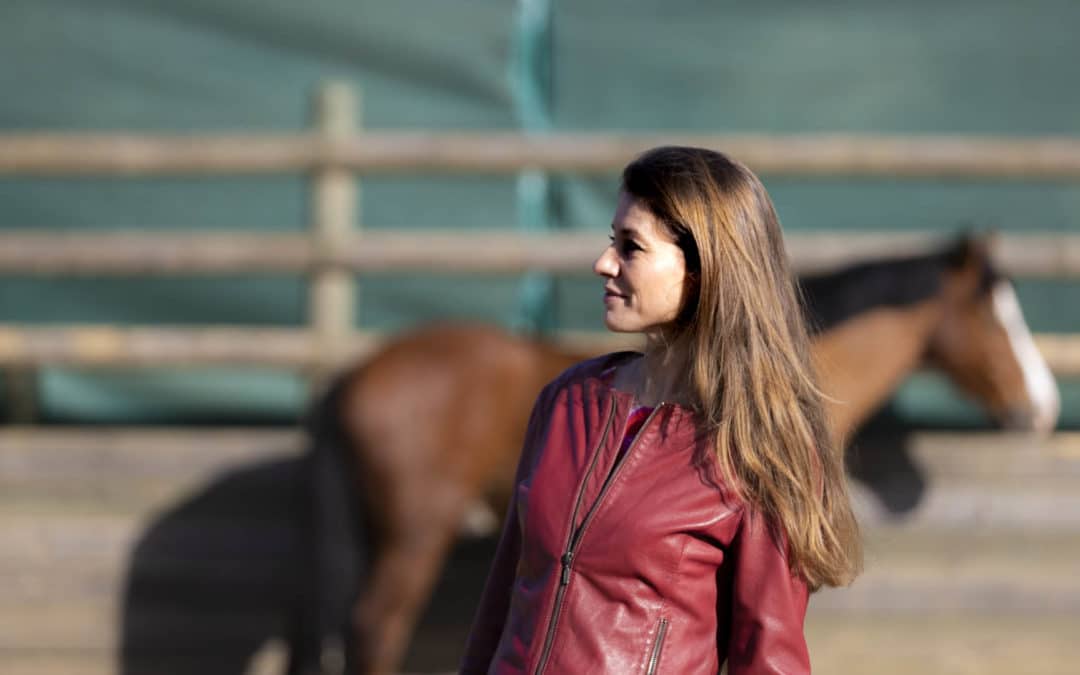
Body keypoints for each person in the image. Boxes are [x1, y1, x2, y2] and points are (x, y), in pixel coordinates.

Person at [460, 146, 862, 674]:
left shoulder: (755, 446)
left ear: (702, 270)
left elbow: (769, 658)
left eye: (631, 247)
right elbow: (502, 599)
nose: (604, 263)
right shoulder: (565, 401)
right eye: (612, 242)